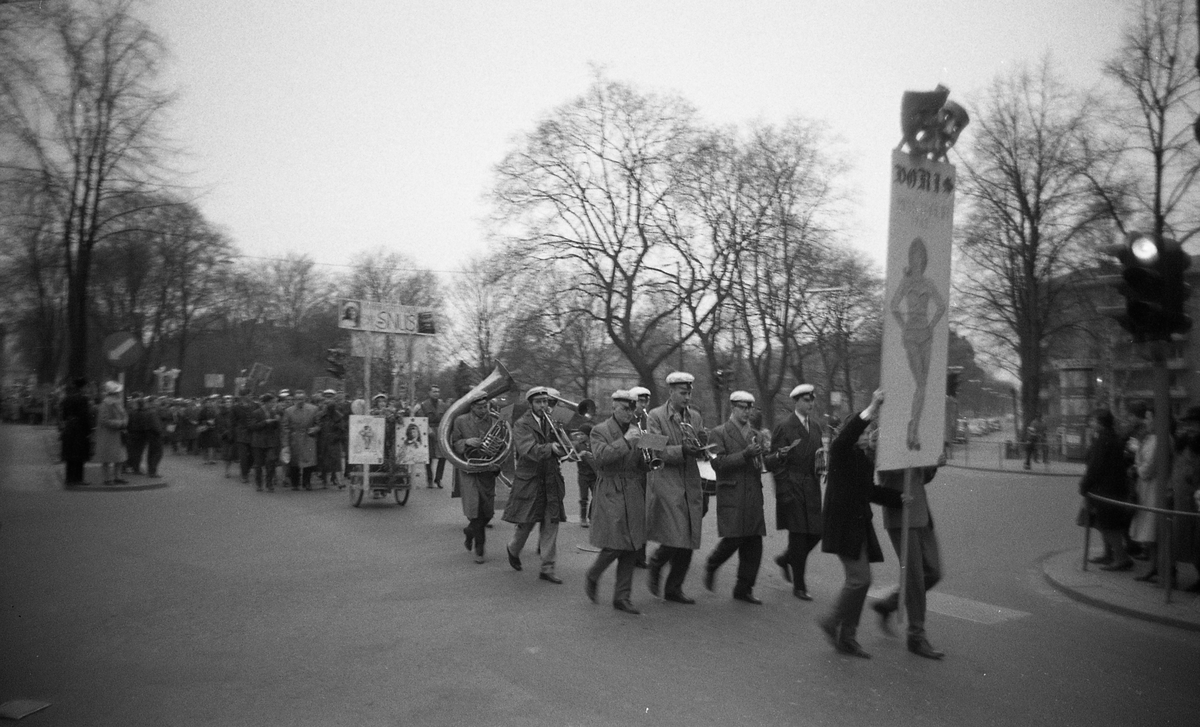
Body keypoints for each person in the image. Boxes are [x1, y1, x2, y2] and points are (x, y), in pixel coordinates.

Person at [817, 389, 905, 658]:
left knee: (862, 581)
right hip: (843, 525)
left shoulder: (864, 460)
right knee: (859, 579)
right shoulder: (842, 453)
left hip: (857, 525)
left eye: (870, 432)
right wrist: (872, 408)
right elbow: (844, 438)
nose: (869, 436)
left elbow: (870, 492)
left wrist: (900, 498)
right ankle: (832, 622)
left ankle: (848, 636)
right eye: (864, 432)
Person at [704, 390, 776, 605]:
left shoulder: (756, 434)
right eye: (742, 407)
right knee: (734, 537)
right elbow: (718, 463)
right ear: (733, 408)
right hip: (733, 491)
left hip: (753, 492)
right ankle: (713, 563)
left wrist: (777, 457)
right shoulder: (719, 433)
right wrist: (745, 454)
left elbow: (761, 464)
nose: (746, 412)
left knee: (754, 543)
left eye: (749, 408)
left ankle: (743, 589)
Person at [874, 456, 947, 659]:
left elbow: (920, 478)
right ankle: (916, 636)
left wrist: (933, 463)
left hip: (922, 513)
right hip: (902, 515)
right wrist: (910, 457)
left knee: (933, 571)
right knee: (914, 576)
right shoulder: (886, 438)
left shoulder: (918, 436)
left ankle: (889, 604)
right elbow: (885, 475)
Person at [584, 390, 649, 615]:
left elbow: (641, 463)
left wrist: (649, 457)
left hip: (632, 489)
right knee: (614, 543)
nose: (629, 413)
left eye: (632, 409)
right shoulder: (599, 430)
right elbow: (601, 458)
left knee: (632, 545)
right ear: (613, 408)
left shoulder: (637, 431)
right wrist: (626, 441)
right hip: (611, 489)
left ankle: (622, 597)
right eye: (624, 408)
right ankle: (593, 574)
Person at [645, 371, 707, 604]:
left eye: (689, 393)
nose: (687, 397)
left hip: (690, 481)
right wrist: (682, 450)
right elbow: (653, 448)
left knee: (689, 537)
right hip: (667, 481)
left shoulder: (695, 417)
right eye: (683, 393)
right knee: (676, 532)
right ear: (671, 392)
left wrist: (701, 445)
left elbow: (698, 444)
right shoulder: (654, 415)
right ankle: (657, 562)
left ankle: (674, 588)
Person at [502, 386, 568, 584]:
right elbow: (527, 450)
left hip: (550, 479)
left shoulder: (553, 421)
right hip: (530, 480)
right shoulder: (521, 424)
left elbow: (565, 448)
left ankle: (547, 568)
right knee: (526, 523)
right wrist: (551, 448)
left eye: (546, 402)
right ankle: (513, 549)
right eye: (539, 402)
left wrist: (562, 436)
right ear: (530, 404)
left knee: (551, 522)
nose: (543, 406)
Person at [889, 237, 947, 451]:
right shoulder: (906, 283)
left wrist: (931, 325)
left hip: (926, 336)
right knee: (921, 384)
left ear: (924, 260)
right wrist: (904, 326)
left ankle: (913, 428)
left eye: (920, 256)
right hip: (911, 337)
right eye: (914, 256)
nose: (917, 260)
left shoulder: (928, 283)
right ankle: (913, 431)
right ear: (910, 258)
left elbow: (941, 306)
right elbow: (894, 306)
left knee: (923, 385)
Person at [769, 383, 825, 601]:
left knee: (817, 532)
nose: (810, 404)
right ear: (796, 402)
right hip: (792, 485)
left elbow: (818, 452)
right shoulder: (784, 426)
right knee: (799, 536)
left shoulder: (817, 426)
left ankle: (786, 559)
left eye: (812, 400)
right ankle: (799, 586)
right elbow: (776, 461)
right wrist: (783, 490)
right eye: (806, 400)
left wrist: (821, 465)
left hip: (811, 484)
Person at [1078, 409, 1134, 571]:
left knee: (1109, 525)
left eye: (1093, 421)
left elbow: (1095, 466)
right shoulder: (1109, 437)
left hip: (1105, 489)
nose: (1090, 423)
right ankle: (1109, 553)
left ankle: (1120, 557)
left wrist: (1084, 485)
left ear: (1100, 423)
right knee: (1103, 523)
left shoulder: (1104, 440)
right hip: (1111, 487)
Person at [451, 394, 503, 563]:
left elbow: (503, 443)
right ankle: (480, 549)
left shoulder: (495, 420)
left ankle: (470, 531)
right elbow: (453, 443)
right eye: (480, 407)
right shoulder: (460, 420)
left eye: (485, 406)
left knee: (488, 512)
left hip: (487, 469)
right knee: (476, 510)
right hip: (469, 469)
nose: (484, 410)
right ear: (472, 407)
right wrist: (467, 442)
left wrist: (498, 461)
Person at [1130, 408, 1167, 582]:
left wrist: (1139, 467)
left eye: (1149, 418)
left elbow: (1148, 467)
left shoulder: (1161, 439)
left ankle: (1159, 568)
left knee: (1152, 529)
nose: (1146, 422)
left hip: (1154, 488)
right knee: (1149, 530)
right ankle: (1153, 566)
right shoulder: (1150, 438)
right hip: (1145, 488)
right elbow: (1140, 460)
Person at [282, 389, 319, 490]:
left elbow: (318, 424)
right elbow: (285, 428)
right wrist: (285, 444)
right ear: (294, 400)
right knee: (294, 462)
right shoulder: (288, 411)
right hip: (295, 439)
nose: (300, 401)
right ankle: (295, 483)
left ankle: (306, 482)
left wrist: (315, 429)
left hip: (308, 438)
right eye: (298, 399)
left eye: (302, 399)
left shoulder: (314, 409)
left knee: (309, 462)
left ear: (305, 399)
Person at [413, 385, 448, 488]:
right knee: (428, 457)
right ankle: (429, 479)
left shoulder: (443, 405)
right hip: (428, 431)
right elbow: (420, 418)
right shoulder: (423, 405)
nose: (436, 393)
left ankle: (438, 478)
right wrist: (428, 429)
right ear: (429, 393)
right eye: (434, 391)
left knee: (443, 456)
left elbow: (447, 418)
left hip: (441, 432)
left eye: (437, 391)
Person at [95, 381, 129, 486]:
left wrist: (125, 422)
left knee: (119, 457)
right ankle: (107, 479)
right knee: (107, 458)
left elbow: (124, 415)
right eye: (117, 392)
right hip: (109, 435)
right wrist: (121, 423)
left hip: (118, 434)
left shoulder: (117, 403)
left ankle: (117, 477)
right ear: (113, 393)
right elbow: (104, 420)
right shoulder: (105, 404)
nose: (119, 394)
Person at [60, 378, 92, 486]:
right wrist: (89, 430)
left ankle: (69, 478)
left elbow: (63, 415)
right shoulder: (83, 399)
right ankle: (78, 478)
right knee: (79, 454)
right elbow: (85, 416)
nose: (87, 388)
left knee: (70, 454)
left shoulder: (67, 398)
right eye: (86, 386)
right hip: (79, 429)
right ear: (83, 387)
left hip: (69, 427)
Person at [248, 393, 282, 492]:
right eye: (272, 402)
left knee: (271, 462)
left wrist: (277, 421)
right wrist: (265, 422)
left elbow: (276, 427)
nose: (273, 404)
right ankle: (259, 484)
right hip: (258, 442)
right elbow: (252, 427)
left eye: (274, 402)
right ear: (266, 402)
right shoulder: (256, 412)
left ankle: (269, 483)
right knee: (258, 464)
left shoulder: (274, 412)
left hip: (270, 442)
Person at [314, 390, 345, 488]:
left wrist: (336, 436)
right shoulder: (320, 415)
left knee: (336, 461)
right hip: (322, 440)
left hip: (333, 441)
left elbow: (342, 429)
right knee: (323, 461)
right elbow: (317, 426)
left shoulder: (338, 416)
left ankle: (339, 481)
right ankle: (324, 481)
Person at [572, 422, 597, 527]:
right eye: (578, 434)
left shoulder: (594, 444)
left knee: (596, 496)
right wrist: (579, 455)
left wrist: (592, 456)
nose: (580, 437)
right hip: (583, 475)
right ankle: (583, 518)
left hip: (594, 475)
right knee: (584, 497)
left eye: (582, 434)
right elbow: (571, 457)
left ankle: (591, 517)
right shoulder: (578, 445)